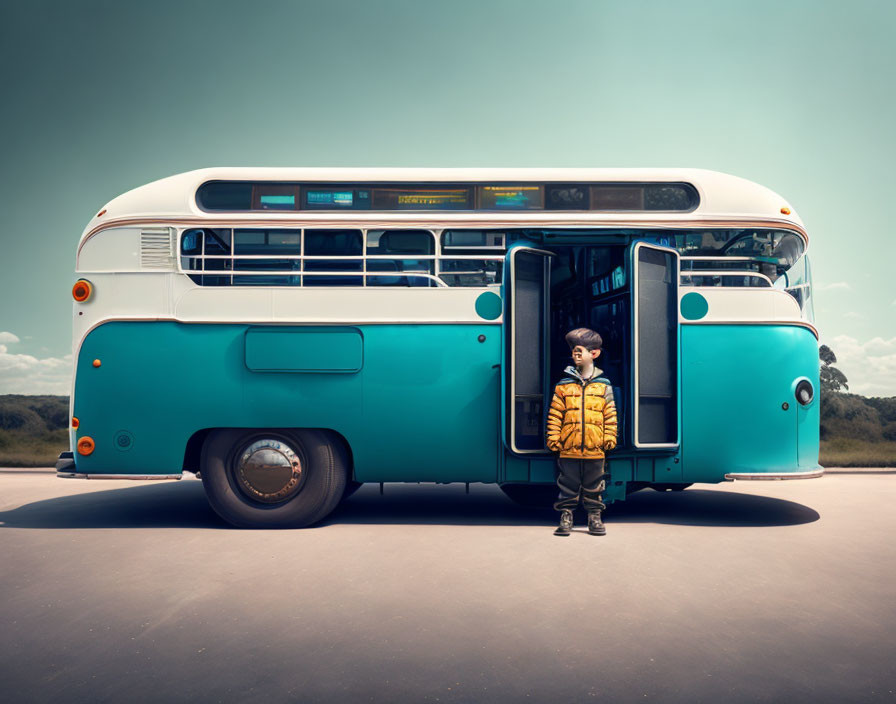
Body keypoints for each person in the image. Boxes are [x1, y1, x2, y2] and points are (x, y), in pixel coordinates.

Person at [545, 328, 617, 536]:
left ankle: (594, 517)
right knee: (568, 485)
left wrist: (609, 436)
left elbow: (610, 414)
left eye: (579, 351)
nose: (575, 355)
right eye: (573, 352)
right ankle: (565, 515)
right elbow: (555, 414)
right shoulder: (563, 386)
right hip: (569, 448)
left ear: (594, 354)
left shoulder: (604, 386)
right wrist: (554, 437)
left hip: (596, 449)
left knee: (595, 486)